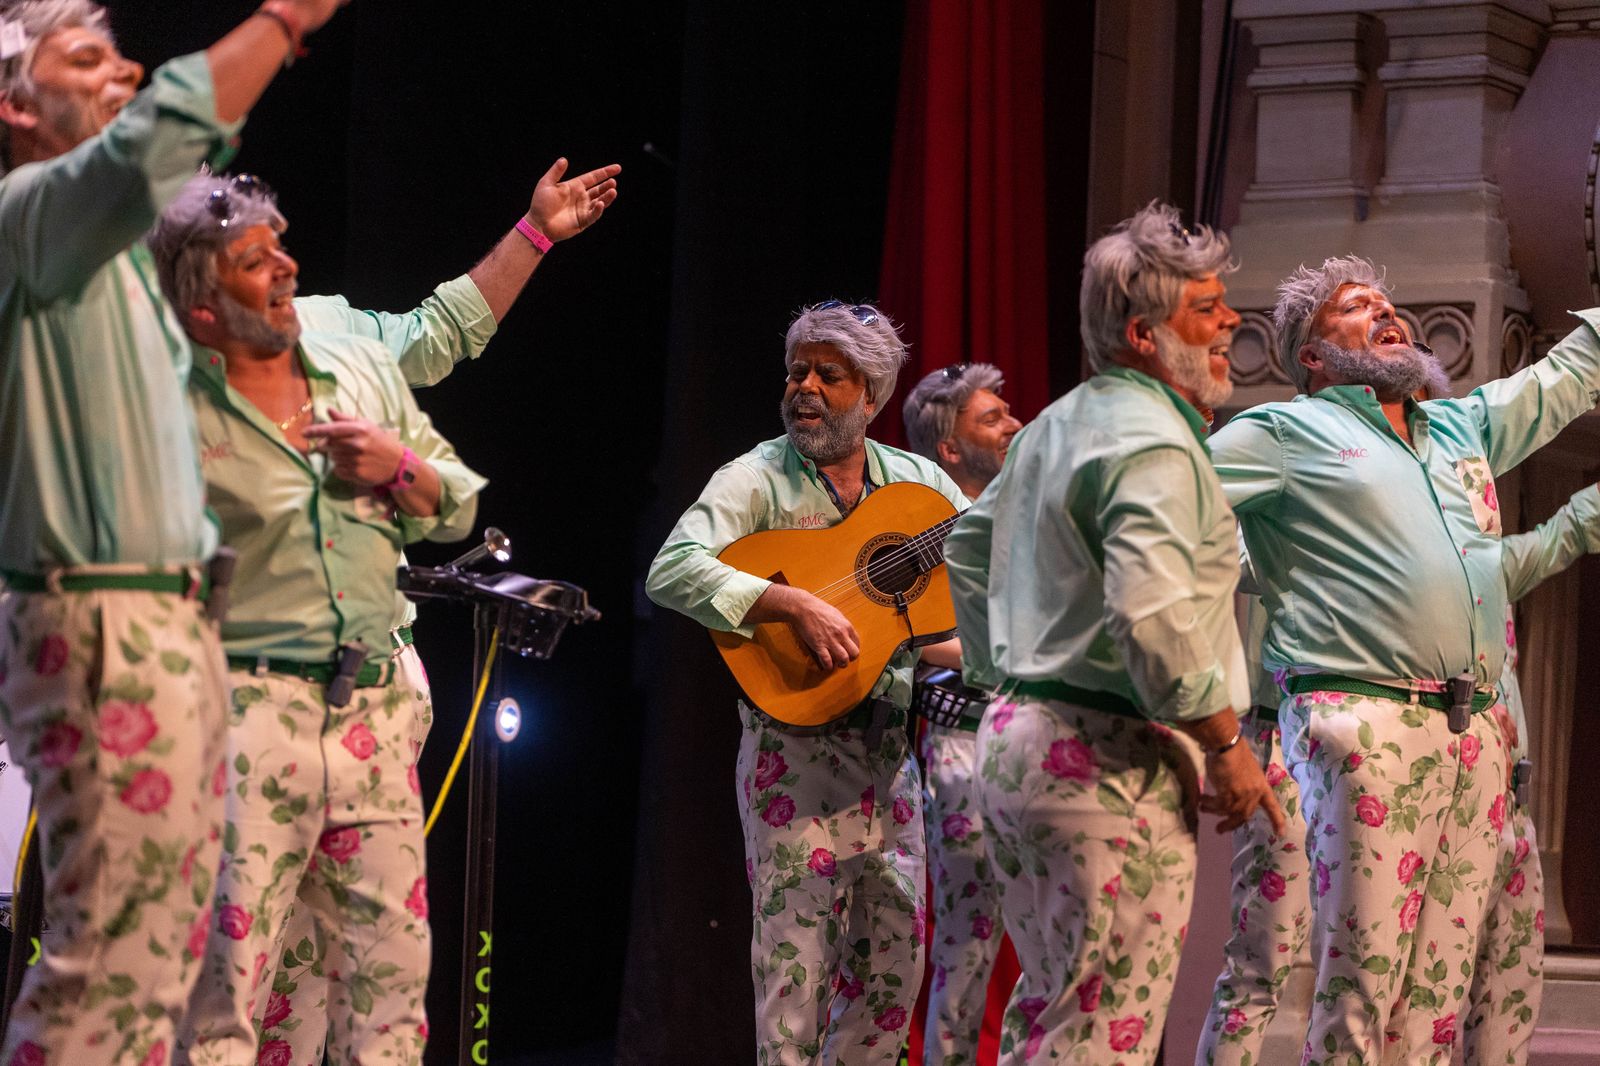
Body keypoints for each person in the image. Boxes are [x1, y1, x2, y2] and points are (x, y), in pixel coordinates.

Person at [0, 3, 345, 1062]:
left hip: (172, 620)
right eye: (87, 57)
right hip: (105, 615)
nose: (126, 68)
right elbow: (163, 134)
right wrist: (283, 20)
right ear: (15, 105)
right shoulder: (27, 212)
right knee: (106, 964)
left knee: (158, 971)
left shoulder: (109, 259)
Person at [1207, 255, 1600, 1064]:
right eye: (1357, 307)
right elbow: (1162, 509)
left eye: (1391, 303)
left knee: (1435, 1003)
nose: (1390, 313)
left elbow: (1568, 374)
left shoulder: (1460, 426)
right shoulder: (1287, 432)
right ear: (1312, 355)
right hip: (1363, 720)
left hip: (1475, 730)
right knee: (1362, 985)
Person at [146, 172, 485, 1066]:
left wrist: (397, 464)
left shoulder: (350, 354)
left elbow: (448, 480)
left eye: (281, 244)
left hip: (374, 700)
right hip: (244, 712)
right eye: (257, 259)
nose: (287, 267)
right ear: (202, 306)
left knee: (384, 992)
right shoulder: (159, 408)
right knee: (230, 991)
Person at [944, 202, 1284, 1066]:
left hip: (1020, 745)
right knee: (1102, 1035)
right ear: (1143, 333)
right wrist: (1225, 742)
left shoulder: (1057, 423)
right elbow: (1153, 614)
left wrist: (1005, 678)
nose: (1231, 322)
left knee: (1053, 1016)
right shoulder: (1153, 440)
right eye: (1205, 309)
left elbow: (971, 550)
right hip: (1102, 761)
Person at [646, 301, 967, 1065]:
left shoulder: (919, 487)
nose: (806, 387)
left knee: (893, 978)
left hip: (891, 765)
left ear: (873, 393)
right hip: (789, 759)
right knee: (795, 984)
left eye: (830, 374)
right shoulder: (754, 477)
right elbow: (671, 570)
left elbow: (972, 591)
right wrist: (788, 601)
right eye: (797, 371)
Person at [900, 362, 1020, 1063]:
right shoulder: (917, 527)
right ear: (949, 447)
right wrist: (996, 655)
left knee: (1047, 931)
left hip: (1037, 737)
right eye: (992, 417)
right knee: (968, 939)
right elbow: (907, 636)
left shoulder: (1029, 511)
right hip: (962, 740)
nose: (1013, 422)